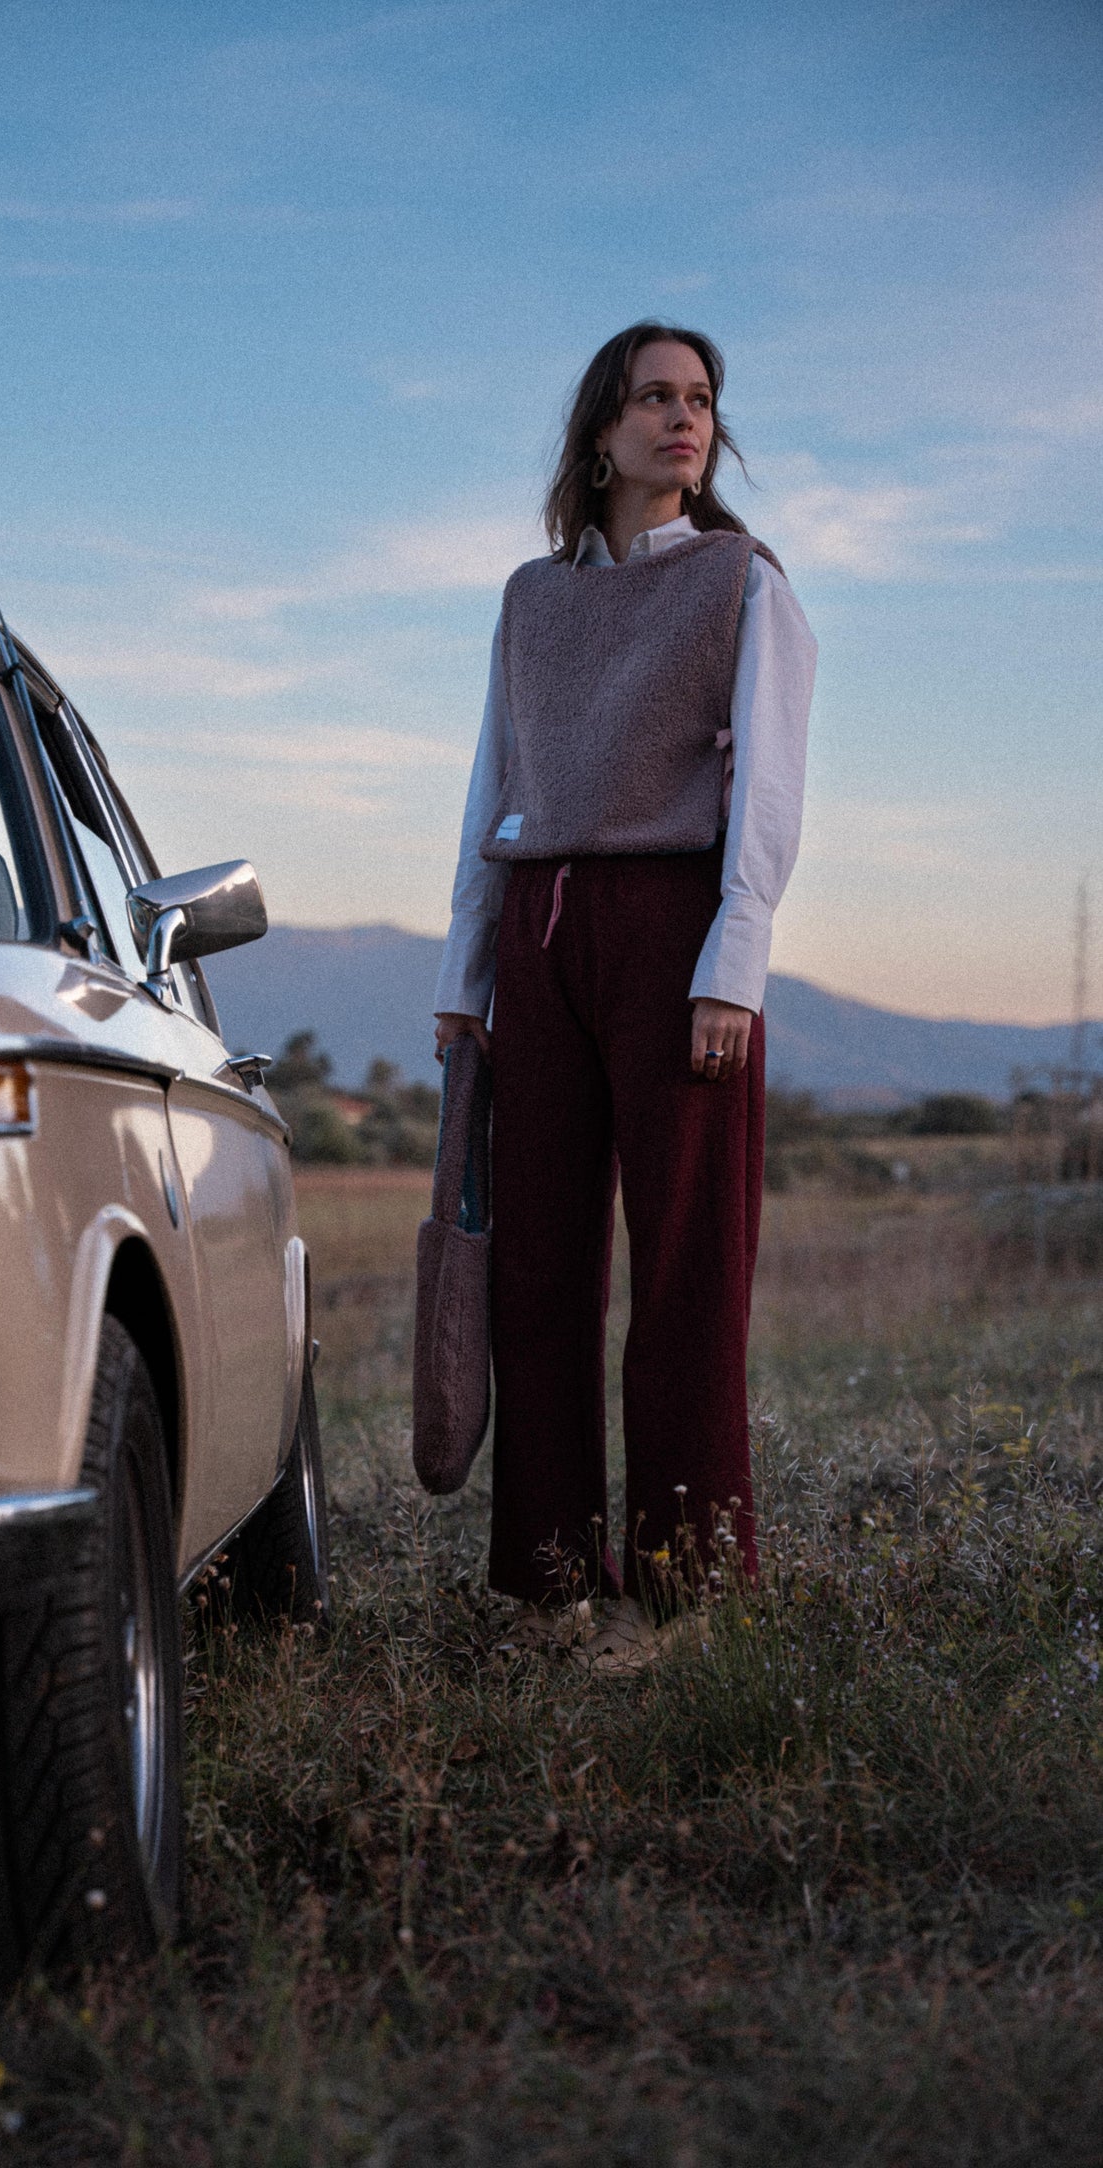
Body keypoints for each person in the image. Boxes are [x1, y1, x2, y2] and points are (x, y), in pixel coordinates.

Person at [433, 321, 816, 1673]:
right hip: (537, 930)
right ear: (597, 431)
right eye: (653, 398)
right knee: (534, 1266)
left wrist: (732, 967)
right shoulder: (530, 598)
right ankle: (550, 1582)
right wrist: (465, 971)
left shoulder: (739, 581)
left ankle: (685, 1589)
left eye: (700, 399)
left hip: (674, 933)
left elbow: (767, 783)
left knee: (684, 1267)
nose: (681, 419)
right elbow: (495, 775)